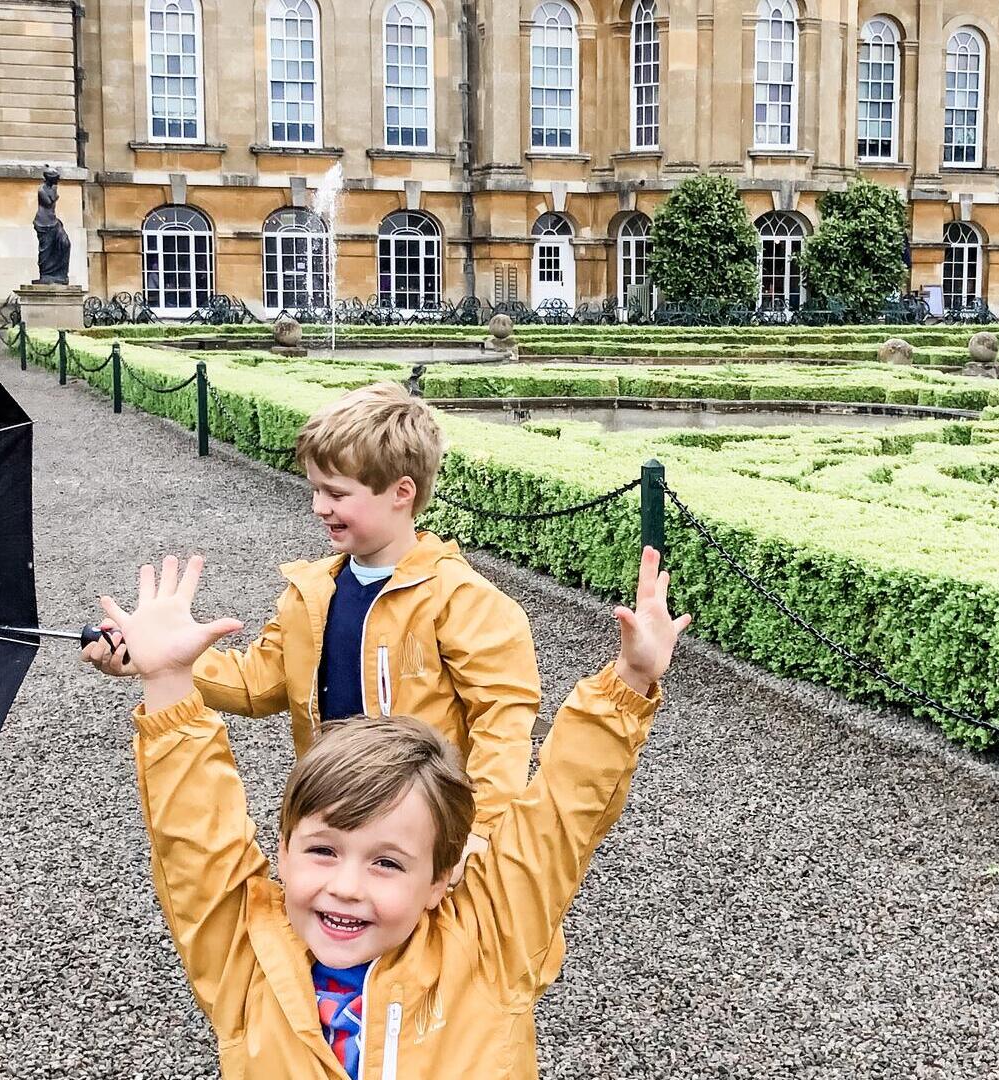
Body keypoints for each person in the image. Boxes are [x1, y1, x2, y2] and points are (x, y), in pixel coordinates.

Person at [102, 547, 686, 1078]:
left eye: (386, 862)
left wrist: (629, 683)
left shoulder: (493, 936)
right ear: (282, 850)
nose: (346, 887)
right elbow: (196, 840)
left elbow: (562, 816)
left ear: (441, 877)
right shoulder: (246, 950)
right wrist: (168, 682)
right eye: (323, 850)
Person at [84, 382, 541, 851]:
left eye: (337, 493)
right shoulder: (311, 592)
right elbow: (258, 682)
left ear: (402, 492)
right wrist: (159, 661)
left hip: (424, 831)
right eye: (316, 489)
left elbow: (502, 722)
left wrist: (482, 832)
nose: (319, 507)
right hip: (330, 813)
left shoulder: (464, 600)